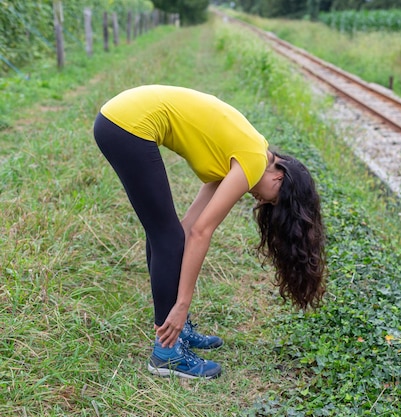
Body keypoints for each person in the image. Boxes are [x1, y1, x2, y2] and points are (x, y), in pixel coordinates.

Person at [93, 85, 326, 379]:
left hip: (118, 120)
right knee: (167, 238)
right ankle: (166, 353)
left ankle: (174, 333)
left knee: (167, 234)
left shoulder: (242, 155)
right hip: (126, 125)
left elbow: (191, 226)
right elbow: (202, 232)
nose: (264, 201)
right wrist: (181, 304)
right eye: (273, 199)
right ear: (279, 177)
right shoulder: (253, 161)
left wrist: (179, 309)